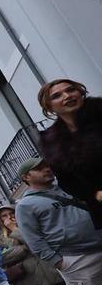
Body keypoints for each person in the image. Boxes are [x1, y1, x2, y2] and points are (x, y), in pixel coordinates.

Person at [15, 157, 102, 285]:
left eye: (46, 166)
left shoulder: (69, 187)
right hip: (74, 258)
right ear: (26, 177)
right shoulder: (25, 205)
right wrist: (59, 261)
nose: (46, 170)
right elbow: (33, 239)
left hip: (98, 245)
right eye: (39, 169)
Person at [36, 78, 102, 229]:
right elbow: (67, 181)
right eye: (57, 96)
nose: (67, 96)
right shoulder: (51, 142)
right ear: (49, 106)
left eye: (71, 90)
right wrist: (93, 194)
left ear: (80, 93)